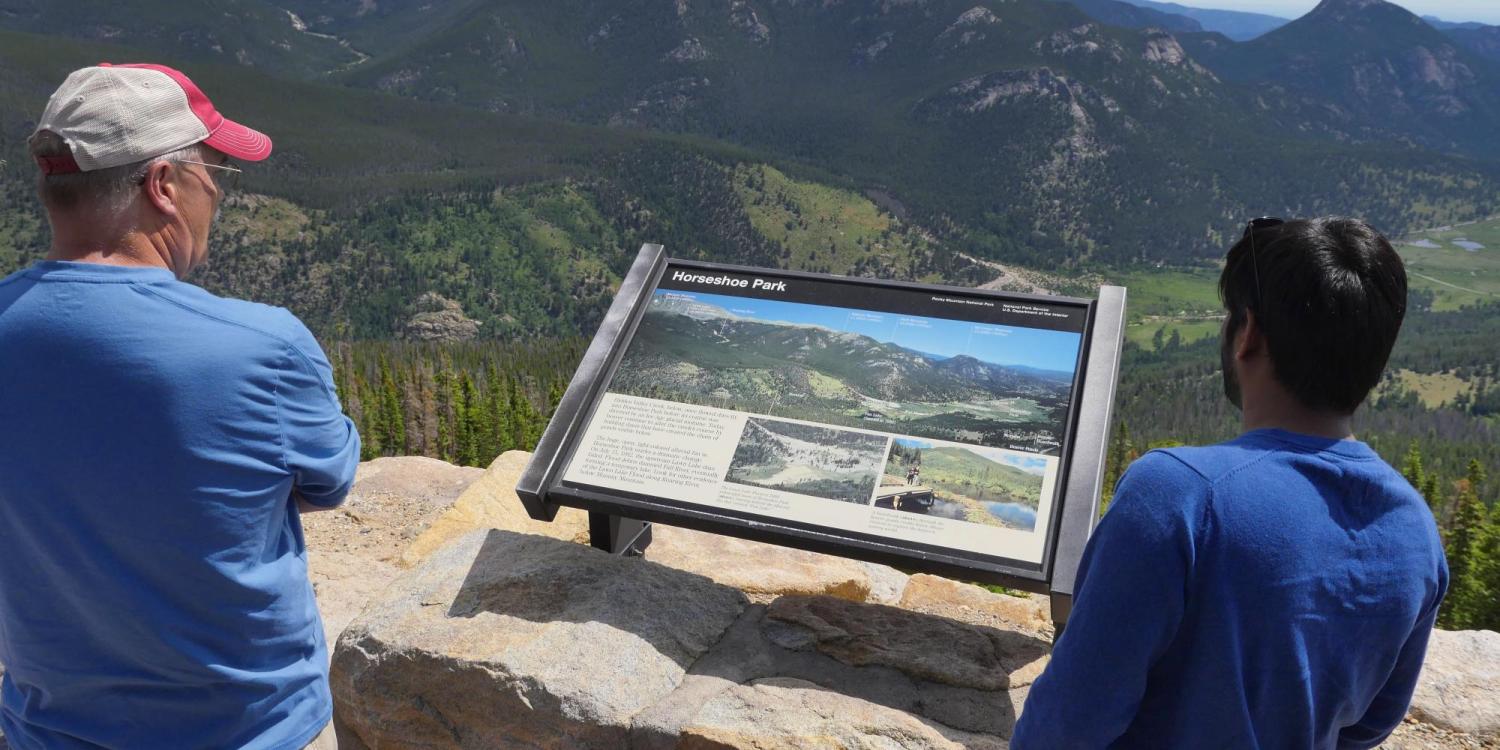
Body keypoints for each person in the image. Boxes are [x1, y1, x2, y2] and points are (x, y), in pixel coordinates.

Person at [0, 64, 360, 749]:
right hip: (249, 730)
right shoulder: (263, 346)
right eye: (214, 173)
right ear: (163, 186)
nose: (218, 195)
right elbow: (327, 483)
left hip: (45, 731)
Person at [1012, 217, 1448, 748]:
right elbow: (1370, 725)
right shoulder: (1416, 532)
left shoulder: (1179, 495)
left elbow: (1067, 722)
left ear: (1247, 334)